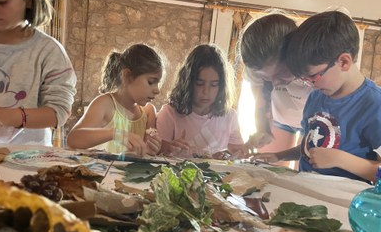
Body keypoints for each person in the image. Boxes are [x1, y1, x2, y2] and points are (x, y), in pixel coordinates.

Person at [252, 10, 381, 183]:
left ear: (343, 62)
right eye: (304, 79)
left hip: (342, 202)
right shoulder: (316, 97)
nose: (310, 84)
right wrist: (278, 156)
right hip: (307, 191)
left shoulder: (373, 104)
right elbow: (311, 146)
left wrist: (340, 160)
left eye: (312, 77)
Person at [0, 0, 76, 145]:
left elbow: (58, 113)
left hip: (26, 158)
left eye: (1, 1)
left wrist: (4, 116)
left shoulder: (48, 51)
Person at [239, 12, 312, 165]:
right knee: (268, 171)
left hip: (314, 122)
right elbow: (260, 102)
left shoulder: (314, 69)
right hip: (281, 118)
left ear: (294, 56)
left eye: (280, 73)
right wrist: (262, 129)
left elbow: (314, 144)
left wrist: (282, 155)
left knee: (305, 171)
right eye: (266, 77)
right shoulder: (256, 66)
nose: (275, 83)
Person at [67, 44, 164, 156]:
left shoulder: (148, 112)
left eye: (158, 83)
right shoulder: (105, 104)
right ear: (127, 76)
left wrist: (153, 148)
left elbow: (146, 153)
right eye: (151, 82)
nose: (157, 90)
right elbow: (73, 139)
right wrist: (116, 133)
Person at [156, 44, 245, 158]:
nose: (206, 91)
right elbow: (157, 155)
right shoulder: (169, 113)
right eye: (200, 83)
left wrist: (226, 156)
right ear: (188, 83)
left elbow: (239, 155)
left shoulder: (229, 116)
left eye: (213, 85)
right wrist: (169, 148)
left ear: (221, 86)